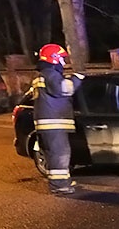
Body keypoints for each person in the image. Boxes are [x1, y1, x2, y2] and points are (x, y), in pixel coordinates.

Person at [31, 43, 83, 195]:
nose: (63, 63)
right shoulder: (50, 74)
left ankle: (62, 182)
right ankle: (60, 186)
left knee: (56, 154)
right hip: (53, 124)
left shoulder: (43, 75)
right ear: (53, 59)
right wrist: (76, 79)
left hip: (48, 124)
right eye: (61, 59)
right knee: (60, 154)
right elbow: (63, 89)